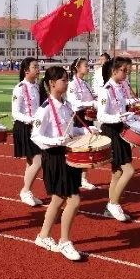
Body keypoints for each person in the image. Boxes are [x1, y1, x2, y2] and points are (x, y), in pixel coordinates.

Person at [32, 65, 95, 261]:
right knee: (73, 200)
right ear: (52, 83)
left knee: (58, 199)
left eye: (67, 79)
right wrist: (55, 141)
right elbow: (35, 136)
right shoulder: (44, 110)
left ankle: (43, 236)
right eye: (64, 80)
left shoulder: (66, 105)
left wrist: (86, 131)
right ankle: (65, 241)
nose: (67, 83)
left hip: (68, 154)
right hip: (55, 157)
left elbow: (70, 131)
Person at [97, 57, 139, 222]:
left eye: (127, 71)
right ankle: (114, 204)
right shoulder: (105, 89)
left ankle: (111, 205)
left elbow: (121, 106)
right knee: (129, 170)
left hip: (120, 129)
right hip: (111, 131)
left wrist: (131, 113)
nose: (126, 73)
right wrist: (120, 117)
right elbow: (101, 115)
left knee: (117, 173)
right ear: (114, 71)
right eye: (124, 70)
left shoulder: (120, 87)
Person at [12, 57, 43, 206]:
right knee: (38, 160)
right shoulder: (19, 88)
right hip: (25, 127)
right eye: (35, 66)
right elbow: (15, 112)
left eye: (38, 66)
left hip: (36, 127)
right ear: (26, 71)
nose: (38, 69)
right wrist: (30, 119)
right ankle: (25, 191)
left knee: (31, 162)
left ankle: (27, 191)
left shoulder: (37, 86)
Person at [67, 57, 98, 190]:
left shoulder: (85, 83)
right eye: (85, 65)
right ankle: (76, 177)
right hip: (78, 117)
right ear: (77, 68)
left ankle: (83, 178)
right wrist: (91, 103)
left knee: (87, 147)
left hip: (87, 116)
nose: (88, 67)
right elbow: (74, 103)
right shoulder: (72, 84)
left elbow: (91, 97)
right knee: (79, 149)